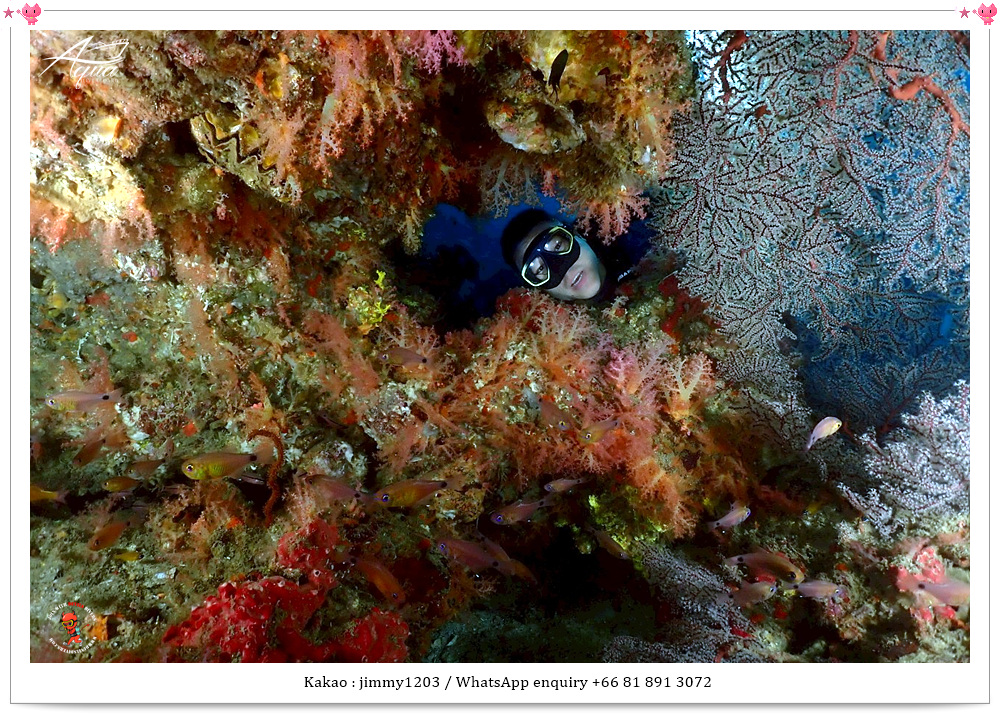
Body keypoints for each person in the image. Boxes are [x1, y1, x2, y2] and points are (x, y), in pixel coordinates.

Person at [500, 208, 648, 305]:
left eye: (558, 246)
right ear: (540, 289)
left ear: (577, 234)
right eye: (540, 270)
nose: (566, 271)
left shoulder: (638, 233)